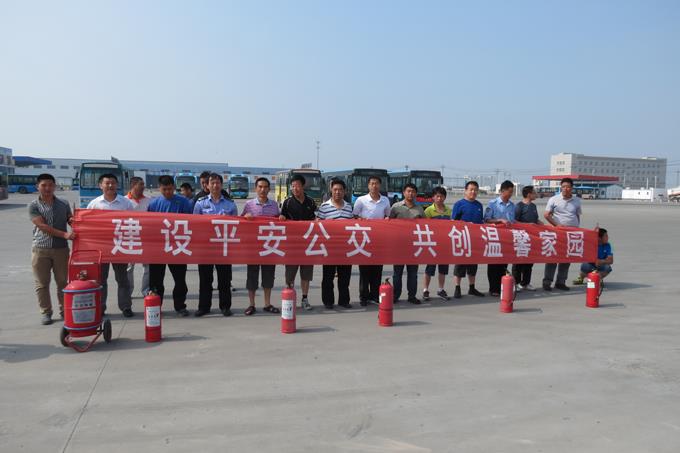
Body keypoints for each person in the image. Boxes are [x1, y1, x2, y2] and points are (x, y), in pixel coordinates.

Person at [29, 173, 75, 325]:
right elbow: (42, 226)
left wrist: (77, 221)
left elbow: (70, 219)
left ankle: (64, 310)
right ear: (38, 186)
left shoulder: (63, 203)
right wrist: (65, 234)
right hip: (40, 249)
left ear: (55, 186)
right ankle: (46, 312)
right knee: (42, 284)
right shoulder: (33, 205)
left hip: (61, 249)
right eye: (44, 185)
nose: (47, 188)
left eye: (50, 185)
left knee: (62, 282)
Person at [86, 173, 135, 317]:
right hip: (100, 248)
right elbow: (87, 225)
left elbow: (132, 222)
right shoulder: (94, 204)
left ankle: (126, 306)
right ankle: (100, 307)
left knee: (123, 279)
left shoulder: (125, 203)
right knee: (101, 279)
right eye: (107, 183)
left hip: (119, 246)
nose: (110, 185)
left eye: (113, 183)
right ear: (100, 185)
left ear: (117, 185)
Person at [147, 175, 194, 316]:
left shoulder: (184, 202)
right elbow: (149, 226)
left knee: (180, 280)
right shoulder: (153, 204)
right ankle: (156, 307)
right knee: (156, 281)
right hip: (158, 249)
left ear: (174, 187)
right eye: (164, 189)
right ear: (159, 188)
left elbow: (191, 222)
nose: (167, 192)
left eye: (170, 189)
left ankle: (180, 306)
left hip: (177, 247)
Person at [192, 173, 237, 317]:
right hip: (205, 247)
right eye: (212, 183)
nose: (215, 185)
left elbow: (236, 226)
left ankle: (225, 306)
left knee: (224, 279)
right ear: (207, 185)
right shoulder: (200, 203)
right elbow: (195, 224)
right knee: (205, 279)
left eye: (218, 183)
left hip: (224, 247)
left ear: (221, 185)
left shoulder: (230, 204)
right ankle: (204, 307)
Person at [241, 177, 281, 315]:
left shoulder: (274, 205)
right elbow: (240, 222)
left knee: (268, 276)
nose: (263, 189)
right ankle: (251, 304)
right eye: (260, 187)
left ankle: (267, 304)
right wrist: (245, 217)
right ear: (255, 188)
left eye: (265, 187)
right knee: (252, 276)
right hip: (253, 246)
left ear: (269, 189)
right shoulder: (249, 204)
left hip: (269, 246)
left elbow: (278, 222)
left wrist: (281, 219)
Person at [280, 174, 317, 310]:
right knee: (290, 274)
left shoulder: (311, 202)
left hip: (308, 244)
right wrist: (281, 217)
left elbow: (315, 219)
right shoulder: (287, 202)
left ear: (303, 186)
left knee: (306, 274)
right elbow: (282, 217)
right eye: (293, 186)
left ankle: (304, 299)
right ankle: (290, 299)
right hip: (292, 245)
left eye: (297, 186)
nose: (295, 188)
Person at [352, 175, 391, 306]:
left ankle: (374, 295)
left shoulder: (385, 200)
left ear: (380, 185)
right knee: (364, 270)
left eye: (376, 183)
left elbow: (387, 216)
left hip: (379, 239)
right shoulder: (361, 200)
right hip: (364, 239)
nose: (374, 186)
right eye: (372, 183)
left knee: (377, 269)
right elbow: (354, 216)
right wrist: (361, 220)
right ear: (368, 185)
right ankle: (364, 296)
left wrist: (386, 220)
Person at [317, 178, 354, 309]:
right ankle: (328, 301)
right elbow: (318, 225)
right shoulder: (324, 206)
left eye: (340, 190)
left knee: (345, 276)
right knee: (328, 276)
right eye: (335, 190)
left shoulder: (349, 206)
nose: (338, 192)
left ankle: (344, 301)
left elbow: (353, 224)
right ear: (331, 191)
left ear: (344, 191)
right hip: (329, 248)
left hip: (346, 248)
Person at [543, 177, 582, 291]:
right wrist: (557, 225)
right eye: (563, 186)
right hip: (557, 233)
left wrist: (577, 229)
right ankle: (547, 282)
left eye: (568, 187)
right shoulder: (554, 199)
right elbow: (546, 215)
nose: (565, 189)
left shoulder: (577, 201)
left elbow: (577, 215)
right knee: (553, 258)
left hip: (571, 234)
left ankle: (561, 282)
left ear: (572, 188)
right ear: (561, 187)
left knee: (566, 258)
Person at [389, 183, 424, 304]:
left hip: (414, 246)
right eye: (408, 191)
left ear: (416, 194)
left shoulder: (419, 209)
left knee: (413, 273)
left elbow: (425, 225)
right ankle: (395, 295)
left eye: (413, 191)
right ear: (404, 193)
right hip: (398, 245)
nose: (411, 193)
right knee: (397, 273)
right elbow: (389, 223)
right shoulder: (396, 207)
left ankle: (412, 296)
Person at [451, 181, 486, 299]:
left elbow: (481, 222)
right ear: (465, 190)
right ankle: (457, 288)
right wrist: (465, 224)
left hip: (475, 240)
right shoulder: (459, 204)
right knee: (460, 265)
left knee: (473, 265)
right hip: (462, 239)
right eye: (471, 189)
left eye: (475, 190)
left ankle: (472, 288)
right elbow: (453, 222)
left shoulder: (479, 205)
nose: (473, 192)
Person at [484, 180, 515, 297]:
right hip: (495, 238)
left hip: (507, 238)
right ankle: (493, 288)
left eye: (512, 192)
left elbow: (513, 221)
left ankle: (502, 287)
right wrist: (500, 220)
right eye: (509, 192)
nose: (511, 194)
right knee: (493, 265)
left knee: (503, 265)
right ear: (502, 191)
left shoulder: (512, 206)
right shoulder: (493, 204)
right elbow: (486, 219)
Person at [422, 186, 452, 301]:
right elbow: (424, 227)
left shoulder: (448, 210)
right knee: (430, 268)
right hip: (432, 244)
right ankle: (425, 290)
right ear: (433, 197)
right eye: (437, 196)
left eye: (442, 196)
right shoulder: (428, 210)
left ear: (444, 197)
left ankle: (440, 289)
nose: (439, 198)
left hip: (444, 244)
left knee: (443, 269)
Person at [512, 185, 542, 291]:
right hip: (521, 238)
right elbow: (514, 221)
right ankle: (516, 283)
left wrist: (543, 225)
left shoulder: (533, 206)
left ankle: (526, 282)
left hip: (532, 238)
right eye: (534, 192)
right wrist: (527, 225)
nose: (536, 194)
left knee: (529, 261)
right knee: (518, 262)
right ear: (529, 194)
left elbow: (536, 220)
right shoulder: (519, 206)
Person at [126, 176, 150, 298]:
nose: (143, 187)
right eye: (140, 184)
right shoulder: (124, 201)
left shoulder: (149, 201)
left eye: (143, 184)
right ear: (133, 185)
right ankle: (128, 291)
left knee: (148, 266)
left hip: (145, 238)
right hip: (129, 238)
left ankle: (146, 290)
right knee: (129, 267)